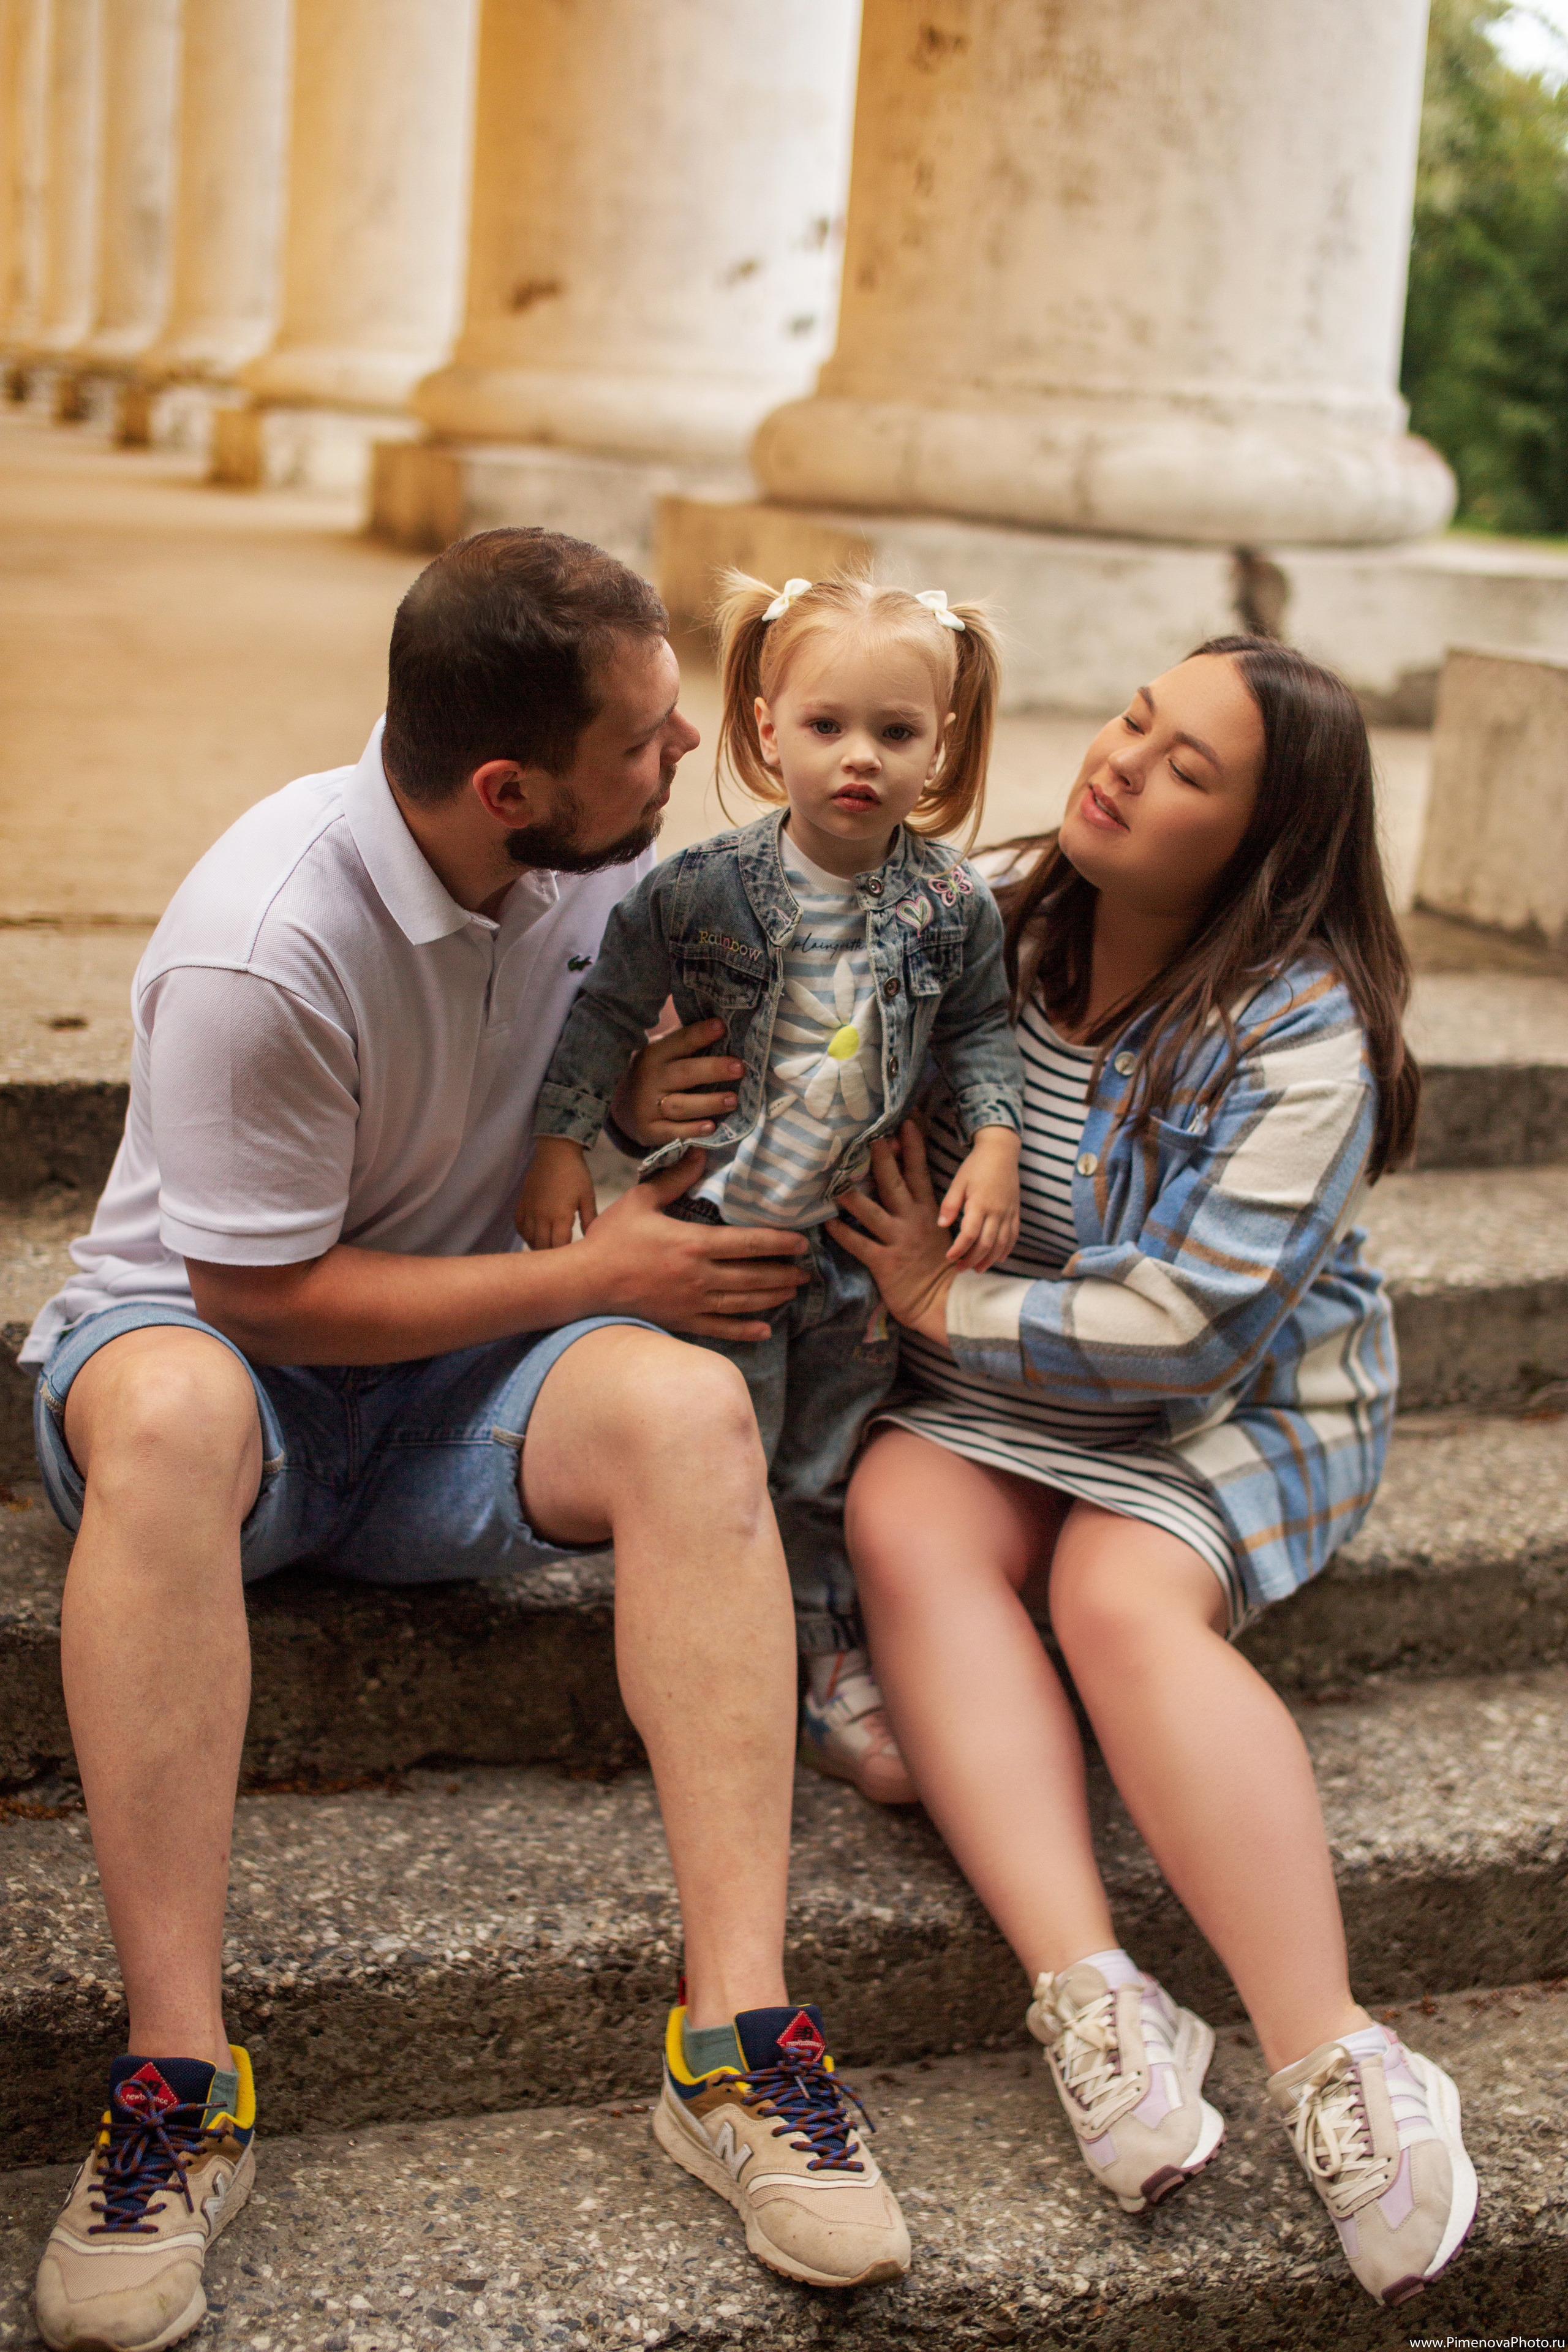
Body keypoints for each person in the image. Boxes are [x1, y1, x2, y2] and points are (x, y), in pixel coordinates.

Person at [21, 529, 911, 2352]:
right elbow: (259, 1300)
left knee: (678, 1409)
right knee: (182, 1411)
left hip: (446, 1400)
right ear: (510, 790)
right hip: (213, 1369)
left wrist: (653, 1132)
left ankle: (738, 2047)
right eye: (649, 740)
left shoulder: (610, 869)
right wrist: (615, 1272)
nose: (685, 760)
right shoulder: (265, 945)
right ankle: (175, 2086)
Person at [829, 635, 1479, 2310]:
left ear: (1264, 845)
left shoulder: (1301, 1029)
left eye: (1188, 768)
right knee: (904, 1510)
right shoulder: (980, 916)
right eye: (1137, 719)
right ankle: (1094, 1993)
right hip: (999, 1373)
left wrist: (934, 1299)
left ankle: (1336, 2056)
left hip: (1231, 1396)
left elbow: (1188, 1328)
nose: (1122, 762)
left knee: (1116, 1592)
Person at [517, 571, 1025, 1808]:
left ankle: (825, 1667)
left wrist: (999, 1137)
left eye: (895, 734)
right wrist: (563, 1138)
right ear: (763, 730)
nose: (858, 760)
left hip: (850, 1257)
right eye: (826, 726)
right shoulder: (696, 892)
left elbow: (981, 1032)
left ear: (939, 746)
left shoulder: (949, 907)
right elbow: (604, 1016)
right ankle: (717, 1674)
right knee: (725, 1459)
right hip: (718, 1241)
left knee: (820, 1465)